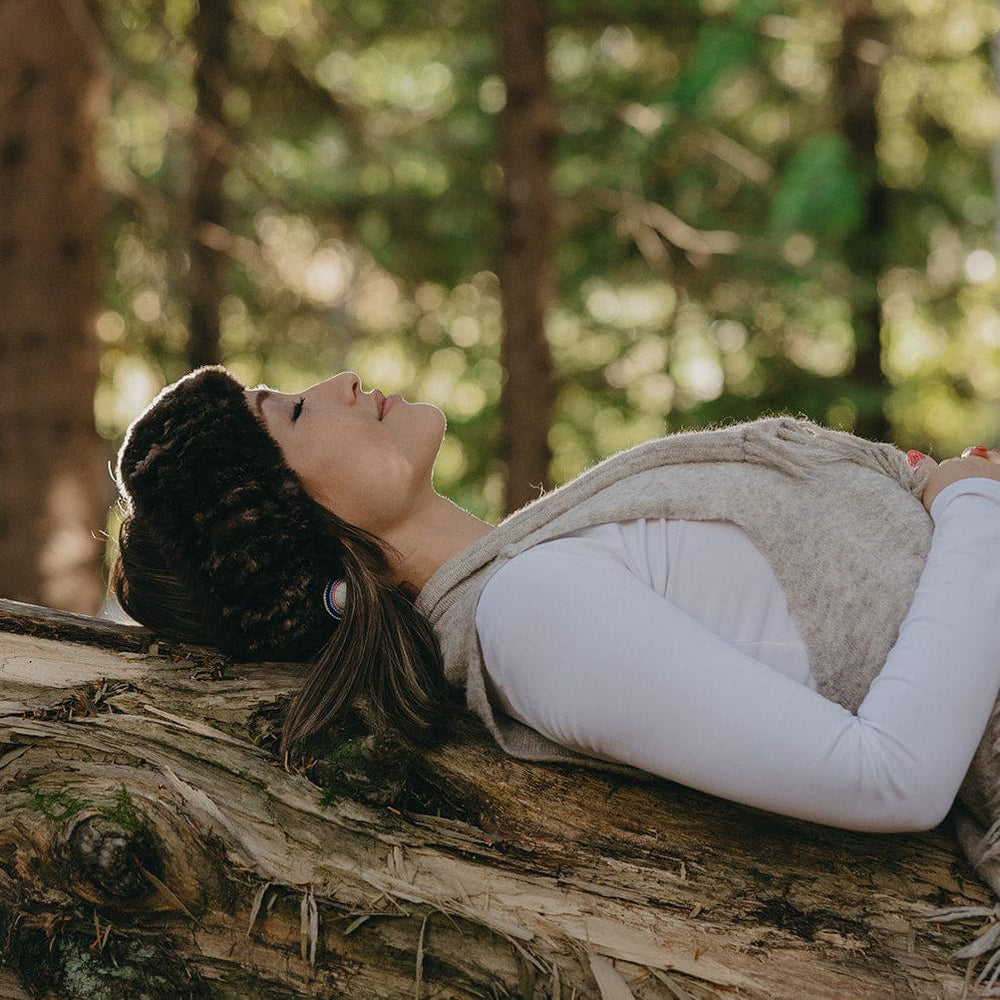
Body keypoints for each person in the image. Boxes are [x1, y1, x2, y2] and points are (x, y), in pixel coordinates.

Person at [113, 365, 1000, 840]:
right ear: (303, 537)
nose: (341, 381)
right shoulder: (529, 618)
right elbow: (892, 777)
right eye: (297, 413)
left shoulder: (547, 559)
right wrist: (968, 502)